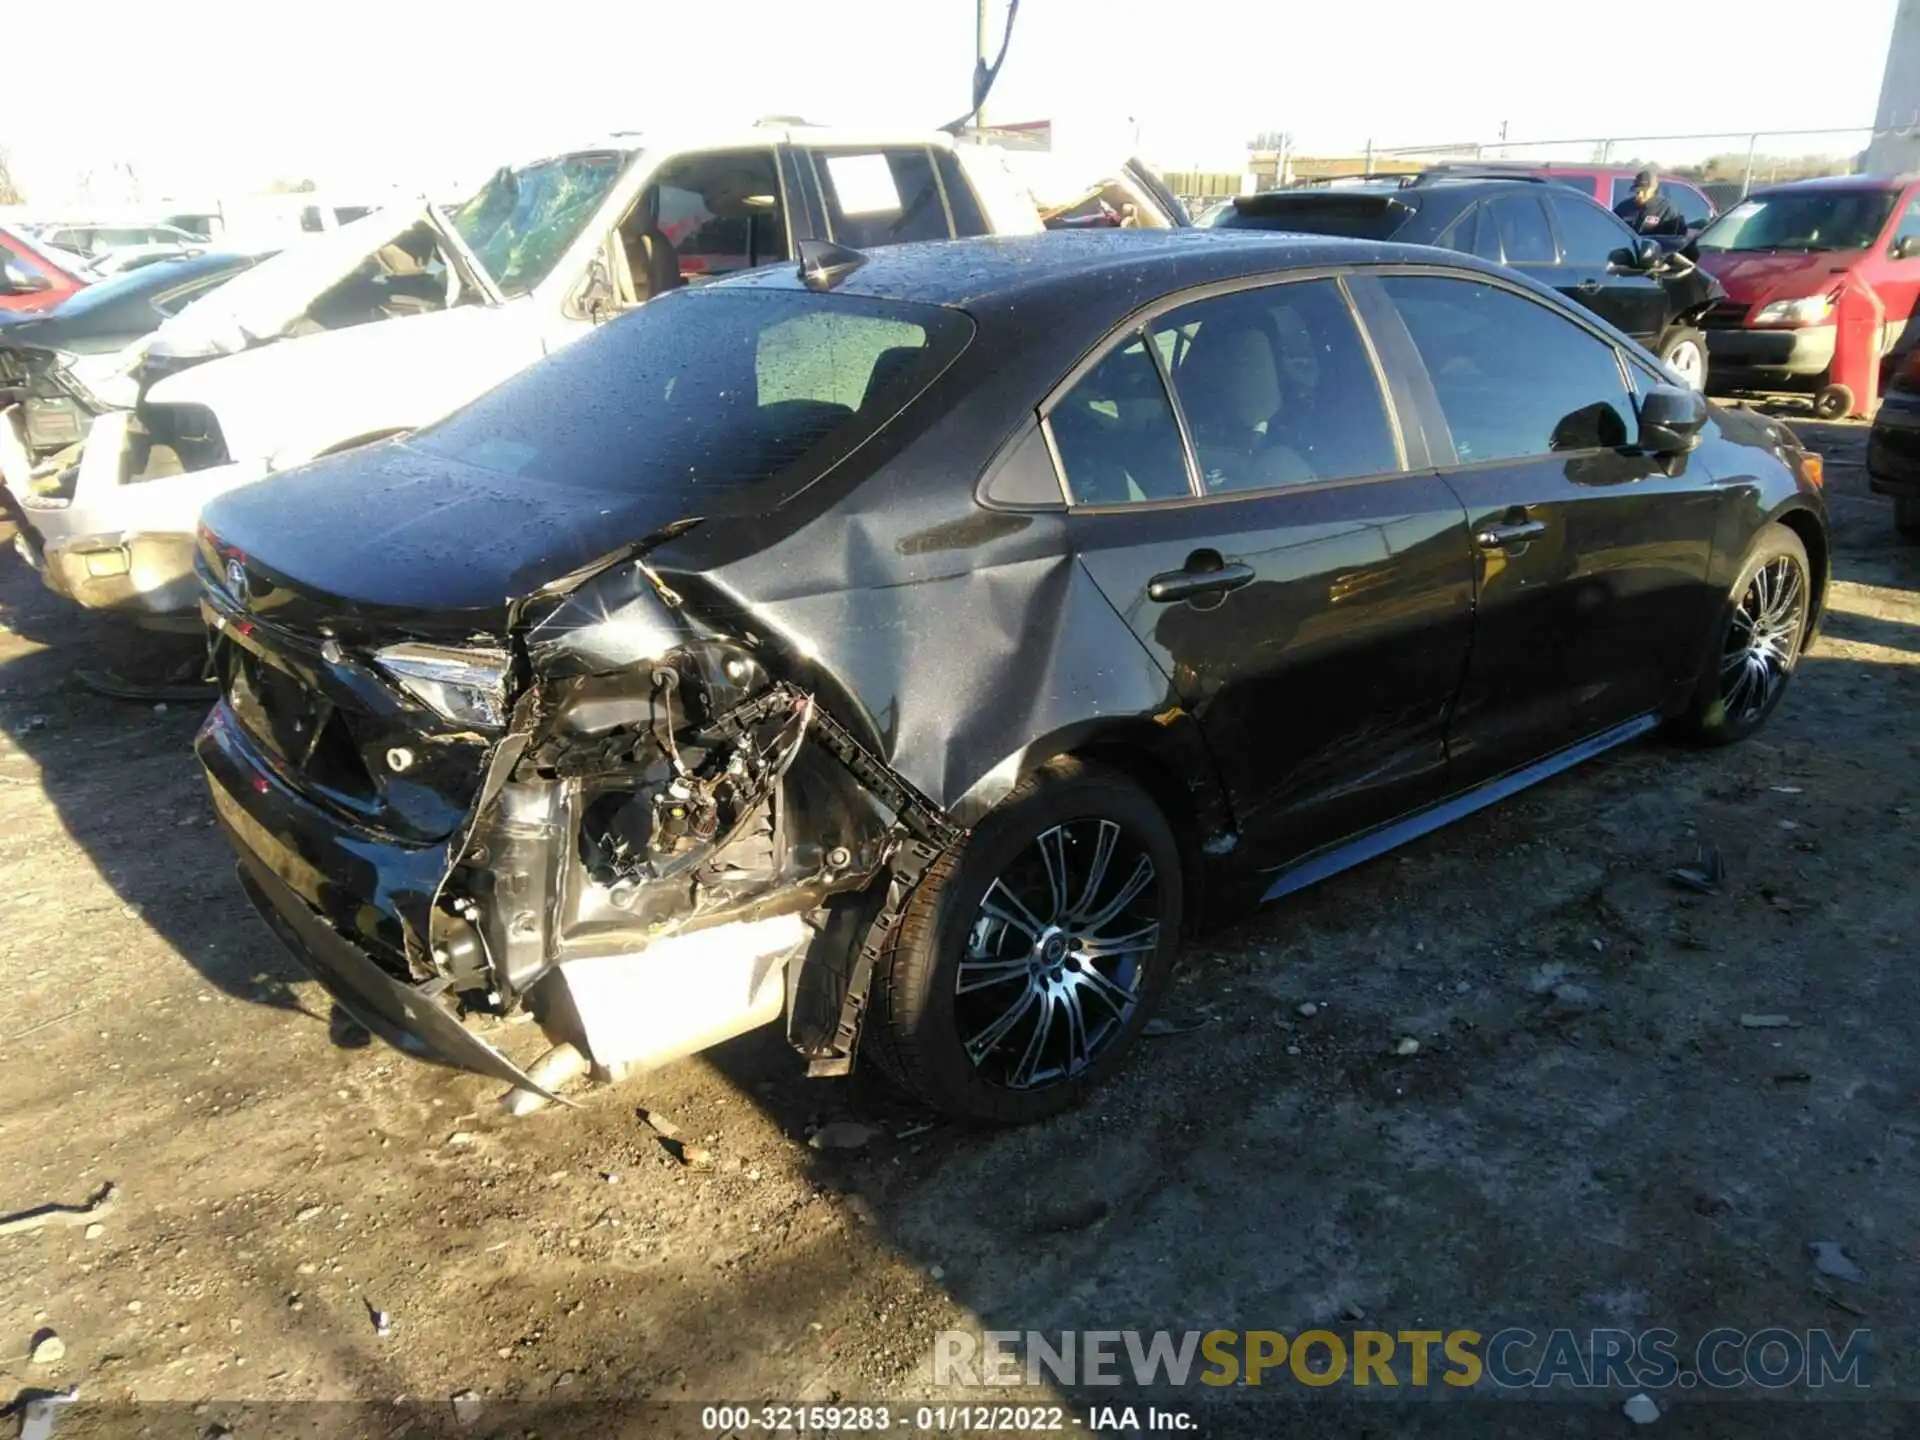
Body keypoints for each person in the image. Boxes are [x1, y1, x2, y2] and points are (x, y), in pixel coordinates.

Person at [1614, 169, 1685, 236]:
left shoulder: (1668, 209)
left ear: (1653, 189)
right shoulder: (1624, 207)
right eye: (1637, 191)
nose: (1639, 195)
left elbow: (1673, 241)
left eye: (1644, 191)